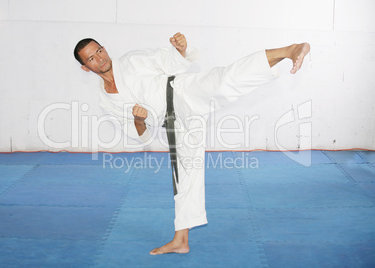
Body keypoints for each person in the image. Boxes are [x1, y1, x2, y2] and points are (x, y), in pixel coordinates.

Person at [74, 33, 310, 255]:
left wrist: (180, 49)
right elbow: (141, 136)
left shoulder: (131, 61)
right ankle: (181, 240)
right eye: (92, 58)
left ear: (105, 49)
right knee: (185, 175)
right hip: (173, 122)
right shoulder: (107, 100)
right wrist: (138, 120)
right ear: (85, 67)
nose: (100, 58)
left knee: (223, 81)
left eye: (100, 51)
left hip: (181, 91)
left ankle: (289, 50)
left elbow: (171, 60)